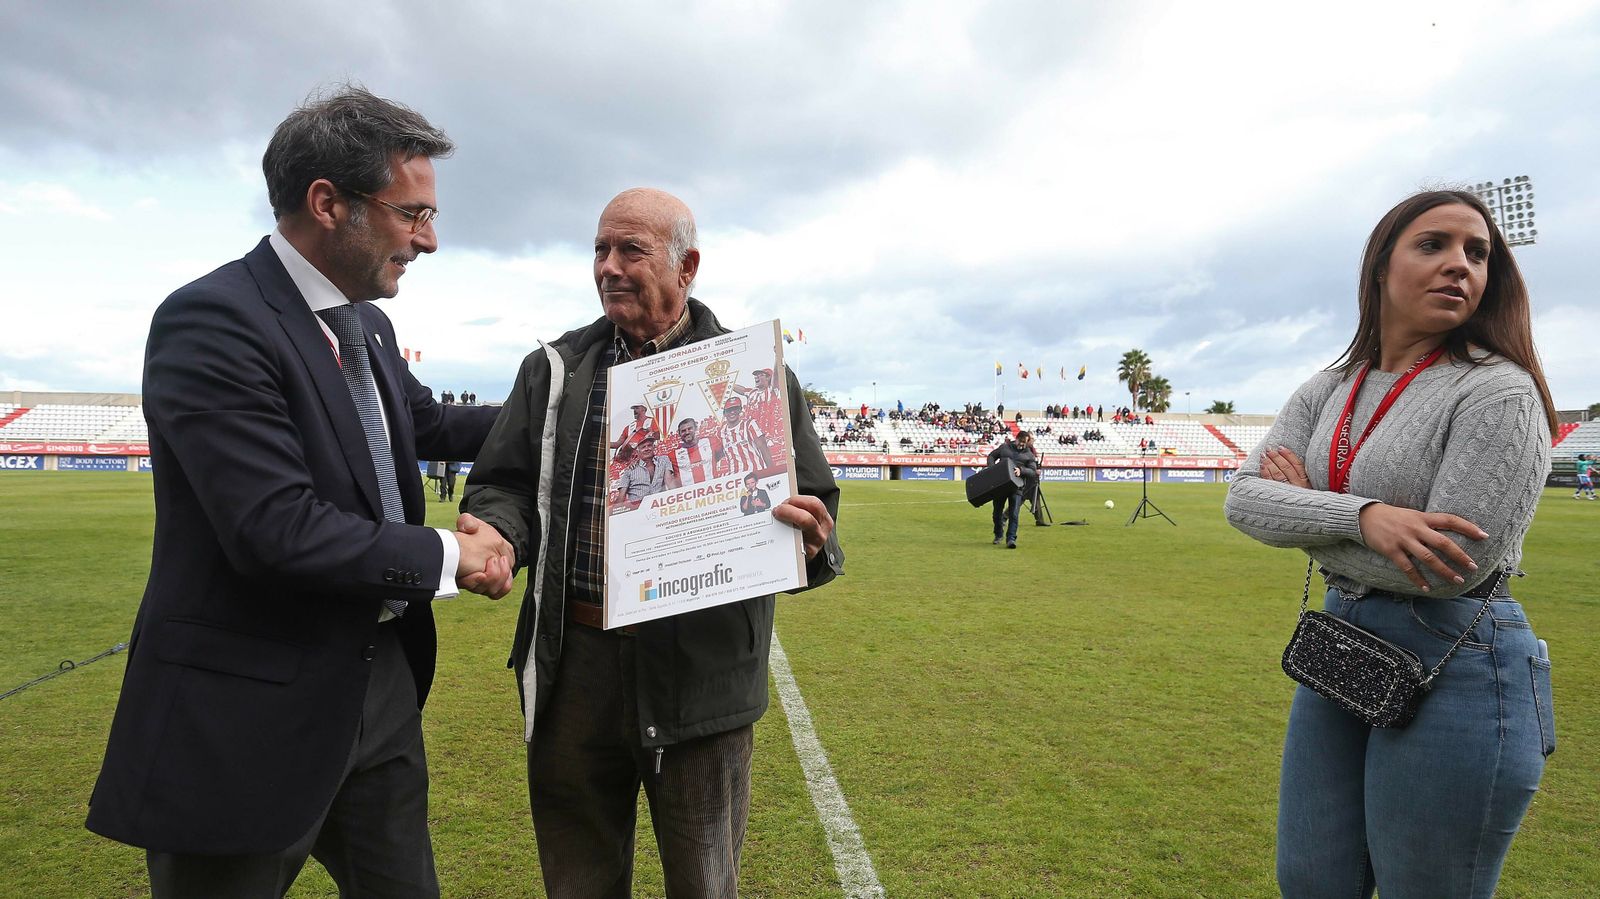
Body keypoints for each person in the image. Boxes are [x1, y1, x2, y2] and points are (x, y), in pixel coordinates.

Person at [84, 86, 513, 898]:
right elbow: (274, 526)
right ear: (327, 203)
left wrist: (575, 412)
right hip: (245, 708)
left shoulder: (366, 324)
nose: (428, 239)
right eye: (412, 214)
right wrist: (452, 555)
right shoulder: (214, 320)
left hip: (378, 683)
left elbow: (428, 423)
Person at [461, 187, 842, 898]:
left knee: (703, 881)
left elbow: (819, 506)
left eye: (630, 250)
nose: (608, 266)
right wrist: (501, 531)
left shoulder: (756, 376)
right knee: (578, 880)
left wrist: (814, 541)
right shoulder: (553, 370)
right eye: (599, 250)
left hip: (703, 674)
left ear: (685, 266)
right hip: (575, 664)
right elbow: (501, 484)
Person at [1224, 190, 1558, 898]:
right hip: (1344, 641)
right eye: (1433, 245)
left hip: (1462, 658)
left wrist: (1304, 511)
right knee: (1312, 879)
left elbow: (1446, 568)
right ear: (1381, 267)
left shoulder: (1498, 391)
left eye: (1477, 253)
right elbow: (1244, 501)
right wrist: (1366, 518)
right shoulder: (1328, 387)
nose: (1460, 264)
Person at [987, 430, 1039, 548]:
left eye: (1024, 443)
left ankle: (1011, 539)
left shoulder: (1029, 455)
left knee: (1014, 514)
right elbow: (991, 456)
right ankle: (998, 534)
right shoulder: (1004, 447)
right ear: (1016, 439)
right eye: (1020, 442)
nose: (1022, 445)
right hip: (1000, 485)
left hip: (1017, 487)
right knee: (996, 514)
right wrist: (992, 468)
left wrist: (1022, 470)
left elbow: (1032, 471)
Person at [666, 415, 717, 489]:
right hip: (689, 494)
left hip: (712, 489)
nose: (687, 432)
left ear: (695, 428)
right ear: (679, 433)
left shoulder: (710, 441)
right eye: (683, 431)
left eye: (690, 429)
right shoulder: (672, 455)